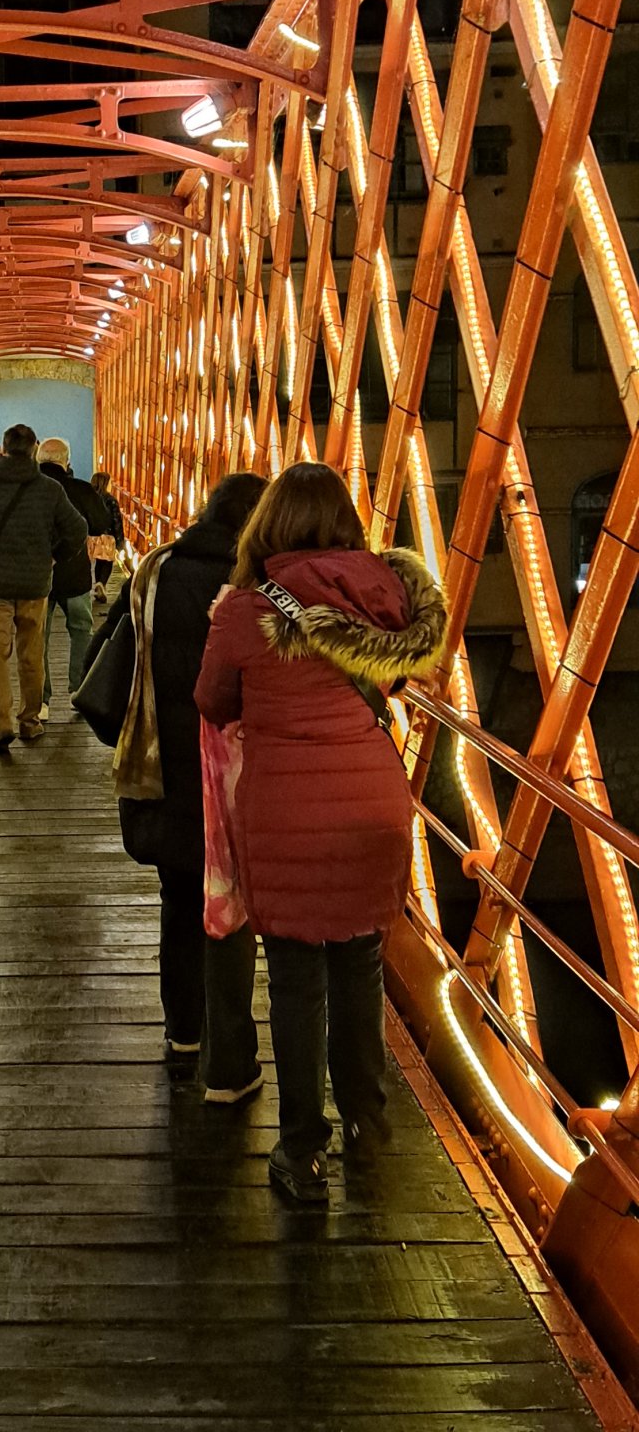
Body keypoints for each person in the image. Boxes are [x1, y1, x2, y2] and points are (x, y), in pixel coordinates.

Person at [194, 462, 447, 1202]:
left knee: (298, 981)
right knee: (360, 967)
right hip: (373, 801)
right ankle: (370, 1128)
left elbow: (212, 701)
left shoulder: (245, 608)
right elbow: (394, 677)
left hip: (287, 811)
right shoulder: (390, 595)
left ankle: (303, 1151)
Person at [90, 474, 267, 1096]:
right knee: (232, 907)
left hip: (165, 765)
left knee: (180, 899)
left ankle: (183, 1032)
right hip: (242, 773)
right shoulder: (261, 586)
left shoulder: (155, 570)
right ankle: (228, 1055)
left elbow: (103, 651)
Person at [0, 423, 87, 755]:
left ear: (2, 449)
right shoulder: (49, 489)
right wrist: (54, 555)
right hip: (34, 584)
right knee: (31, 652)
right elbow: (78, 528)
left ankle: (1, 724)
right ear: (33, 449)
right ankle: (29, 720)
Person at [36, 437, 111, 720]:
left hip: (36, 575)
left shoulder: (29, 489)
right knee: (81, 630)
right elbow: (101, 524)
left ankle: (41, 700)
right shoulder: (79, 489)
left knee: (37, 637)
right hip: (75, 573)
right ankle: (77, 690)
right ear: (66, 461)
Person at [89, 470, 126, 601]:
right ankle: (101, 583)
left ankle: (94, 585)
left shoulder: (88, 498)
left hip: (91, 536)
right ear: (106, 484)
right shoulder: (111, 500)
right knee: (106, 563)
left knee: (93, 563)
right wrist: (120, 542)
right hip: (107, 537)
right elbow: (116, 521)